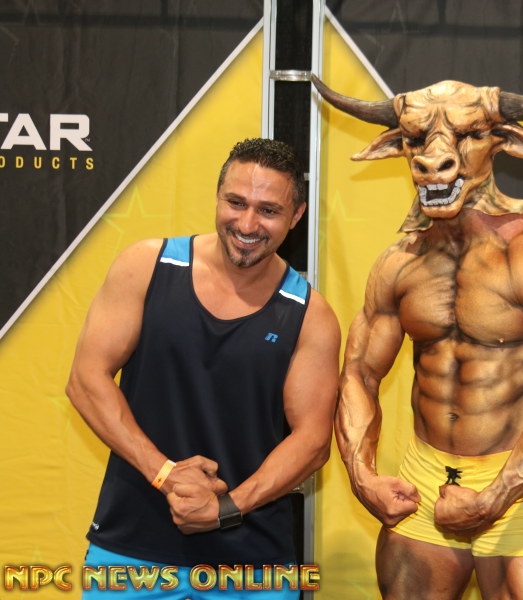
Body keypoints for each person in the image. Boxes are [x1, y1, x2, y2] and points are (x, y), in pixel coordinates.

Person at [315, 76, 523, 599]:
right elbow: (359, 373)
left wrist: (496, 496)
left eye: (468, 135)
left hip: (521, 480)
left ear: (503, 143)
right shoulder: (399, 262)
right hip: (425, 475)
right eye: (416, 140)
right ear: (400, 150)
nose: (435, 156)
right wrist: (363, 476)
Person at [67, 138, 340, 598]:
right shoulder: (147, 266)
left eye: (268, 211)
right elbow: (85, 380)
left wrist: (226, 508)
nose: (247, 224)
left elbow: (312, 441)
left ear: (296, 216)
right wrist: (166, 474)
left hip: (253, 567)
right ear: (217, 197)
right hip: (131, 550)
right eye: (236, 202)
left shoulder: (310, 315)